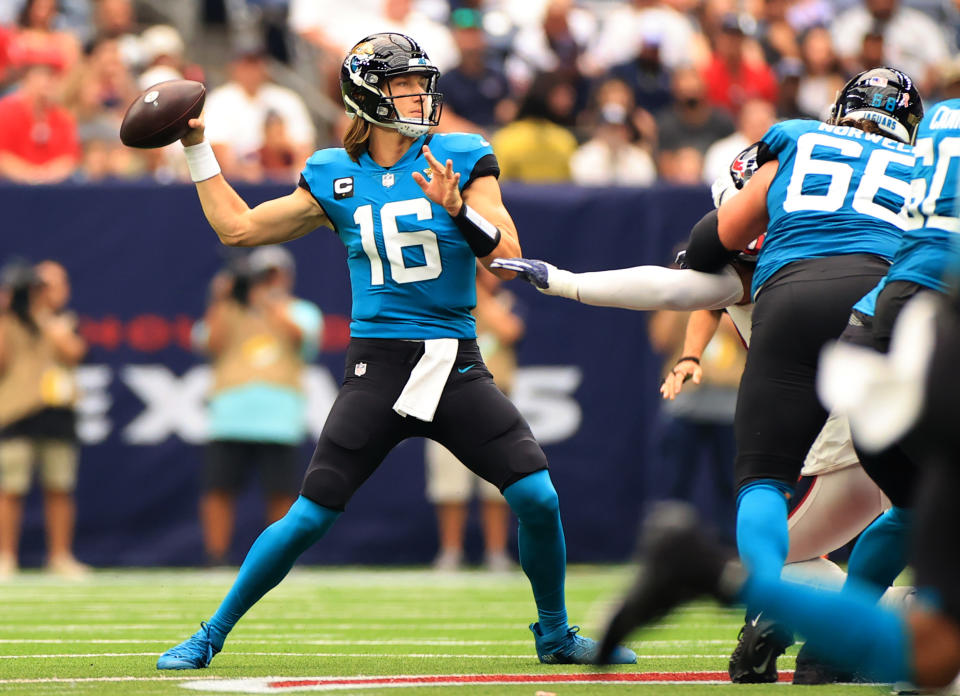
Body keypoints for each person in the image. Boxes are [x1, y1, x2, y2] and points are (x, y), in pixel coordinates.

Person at [156, 32, 637, 670]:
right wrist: (196, 146)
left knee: (538, 498)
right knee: (308, 517)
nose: (419, 94)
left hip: (454, 361)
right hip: (378, 366)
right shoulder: (334, 172)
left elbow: (504, 259)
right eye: (404, 83)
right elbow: (237, 227)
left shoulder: (462, 156)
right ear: (366, 95)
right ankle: (209, 634)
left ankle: (553, 632)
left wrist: (460, 208)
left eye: (420, 82)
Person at [496, 66, 924, 682]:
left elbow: (693, 271)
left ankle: (779, 612)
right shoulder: (919, 170)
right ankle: (848, 632)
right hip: (884, 318)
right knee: (910, 503)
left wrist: (565, 281)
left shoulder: (795, 150)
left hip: (799, 330)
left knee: (762, 486)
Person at [193, 247, 322, 567]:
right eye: (261, 276)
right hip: (229, 417)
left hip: (279, 418)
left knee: (281, 493)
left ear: (287, 277)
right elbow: (209, 344)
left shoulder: (301, 311)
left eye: (273, 275)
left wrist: (268, 300)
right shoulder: (229, 311)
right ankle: (216, 558)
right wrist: (222, 300)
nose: (266, 282)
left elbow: (301, 339)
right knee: (219, 490)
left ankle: (278, 560)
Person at [426, 264, 522, 572]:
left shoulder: (507, 302)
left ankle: (496, 553)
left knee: (497, 484)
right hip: (449, 400)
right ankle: (450, 552)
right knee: (449, 483)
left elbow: (509, 330)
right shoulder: (449, 302)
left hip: (496, 401)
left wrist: (475, 292)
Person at [0, 260, 89, 580]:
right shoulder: (8, 321)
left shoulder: (61, 321)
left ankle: (60, 556)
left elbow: (75, 353)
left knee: (59, 486)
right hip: (17, 412)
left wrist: (47, 321)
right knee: (11, 487)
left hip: (57, 411)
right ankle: (5, 557)